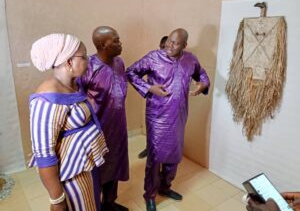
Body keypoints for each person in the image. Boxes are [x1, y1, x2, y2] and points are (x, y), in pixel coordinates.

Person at [126, 28, 210, 211]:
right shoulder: (153, 57)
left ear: (184, 45)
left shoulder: (190, 59)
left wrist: (202, 83)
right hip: (157, 117)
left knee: (174, 156)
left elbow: (201, 74)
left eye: (176, 43)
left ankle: (165, 187)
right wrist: (150, 87)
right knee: (155, 159)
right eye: (169, 41)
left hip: (179, 116)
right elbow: (130, 72)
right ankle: (150, 195)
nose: (170, 45)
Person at [28, 33, 108, 211]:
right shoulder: (47, 98)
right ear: (69, 62)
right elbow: (44, 154)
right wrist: (57, 199)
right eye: (84, 56)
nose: (88, 60)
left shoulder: (74, 86)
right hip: (71, 177)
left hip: (85, 167)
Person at [79, 26, 129, 211]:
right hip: (97, 129)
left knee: (115, 164)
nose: (120, 43)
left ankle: (110, 202)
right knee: (98, 170)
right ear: (102, 44)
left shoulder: (120, 63)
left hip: (119, 126)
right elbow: (78, 100)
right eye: (115, 40)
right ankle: (95, 205)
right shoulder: (88, 67)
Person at [138, 35, 168, 159]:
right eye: (162, 46)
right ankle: (149, 148)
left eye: (167, 47)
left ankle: (164, 154)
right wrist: (148, 87)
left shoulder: (176, 62)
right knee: (152, 129)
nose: (164, 49)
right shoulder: (153, 59)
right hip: (154, 102)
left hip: (169, 104)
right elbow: (135, 74)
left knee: (167, 132)